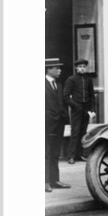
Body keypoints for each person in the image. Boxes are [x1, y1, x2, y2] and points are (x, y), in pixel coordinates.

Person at [63, 58, 96, 164]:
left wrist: (92, 110)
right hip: (76, 110)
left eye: (84, 67)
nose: (82, 68)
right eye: (80, 67)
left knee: (83, 132)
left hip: (86, 110)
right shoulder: (71, 79)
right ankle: (71, 156)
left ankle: (80, 154)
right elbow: (66, 97)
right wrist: (75, 105)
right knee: (75, 132)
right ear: (76, 68)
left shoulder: (88, 80)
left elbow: (92, 96)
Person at [45, 58, 71, 192]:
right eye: (57, 68)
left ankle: (55, 180)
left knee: (55, 153)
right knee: (46, 153)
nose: (60, 70)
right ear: (49, 69)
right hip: (46, 123)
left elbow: (62, 103)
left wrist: (64, 117)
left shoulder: (58, 85)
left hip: (59, 123)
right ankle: (45, 181)